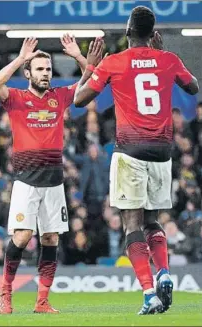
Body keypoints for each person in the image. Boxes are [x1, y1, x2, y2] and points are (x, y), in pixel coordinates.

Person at [74, 6, 199, 315]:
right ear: (152, 34)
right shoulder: (168, 60)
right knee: (153, 220)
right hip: (161, 152)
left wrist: (90, 66)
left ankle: (148, 293)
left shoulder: (113, 62)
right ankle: (165, 273)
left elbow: (79, 100)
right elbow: (194, 87)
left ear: (128, 32)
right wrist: (164, 56)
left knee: (132, 223)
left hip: (130, 151)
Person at [0, 35, 93, 314]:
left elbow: (92, 79)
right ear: (28, 73)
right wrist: (21, 58)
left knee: (51, 239)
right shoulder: (16, 98)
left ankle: (42, 301)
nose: (45, 73)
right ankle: (5, 293)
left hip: (54, 181)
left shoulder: (59, 97)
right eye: (39, 69)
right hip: (26, 180)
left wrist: (77, 56)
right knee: (22, 238)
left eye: (48, 69)